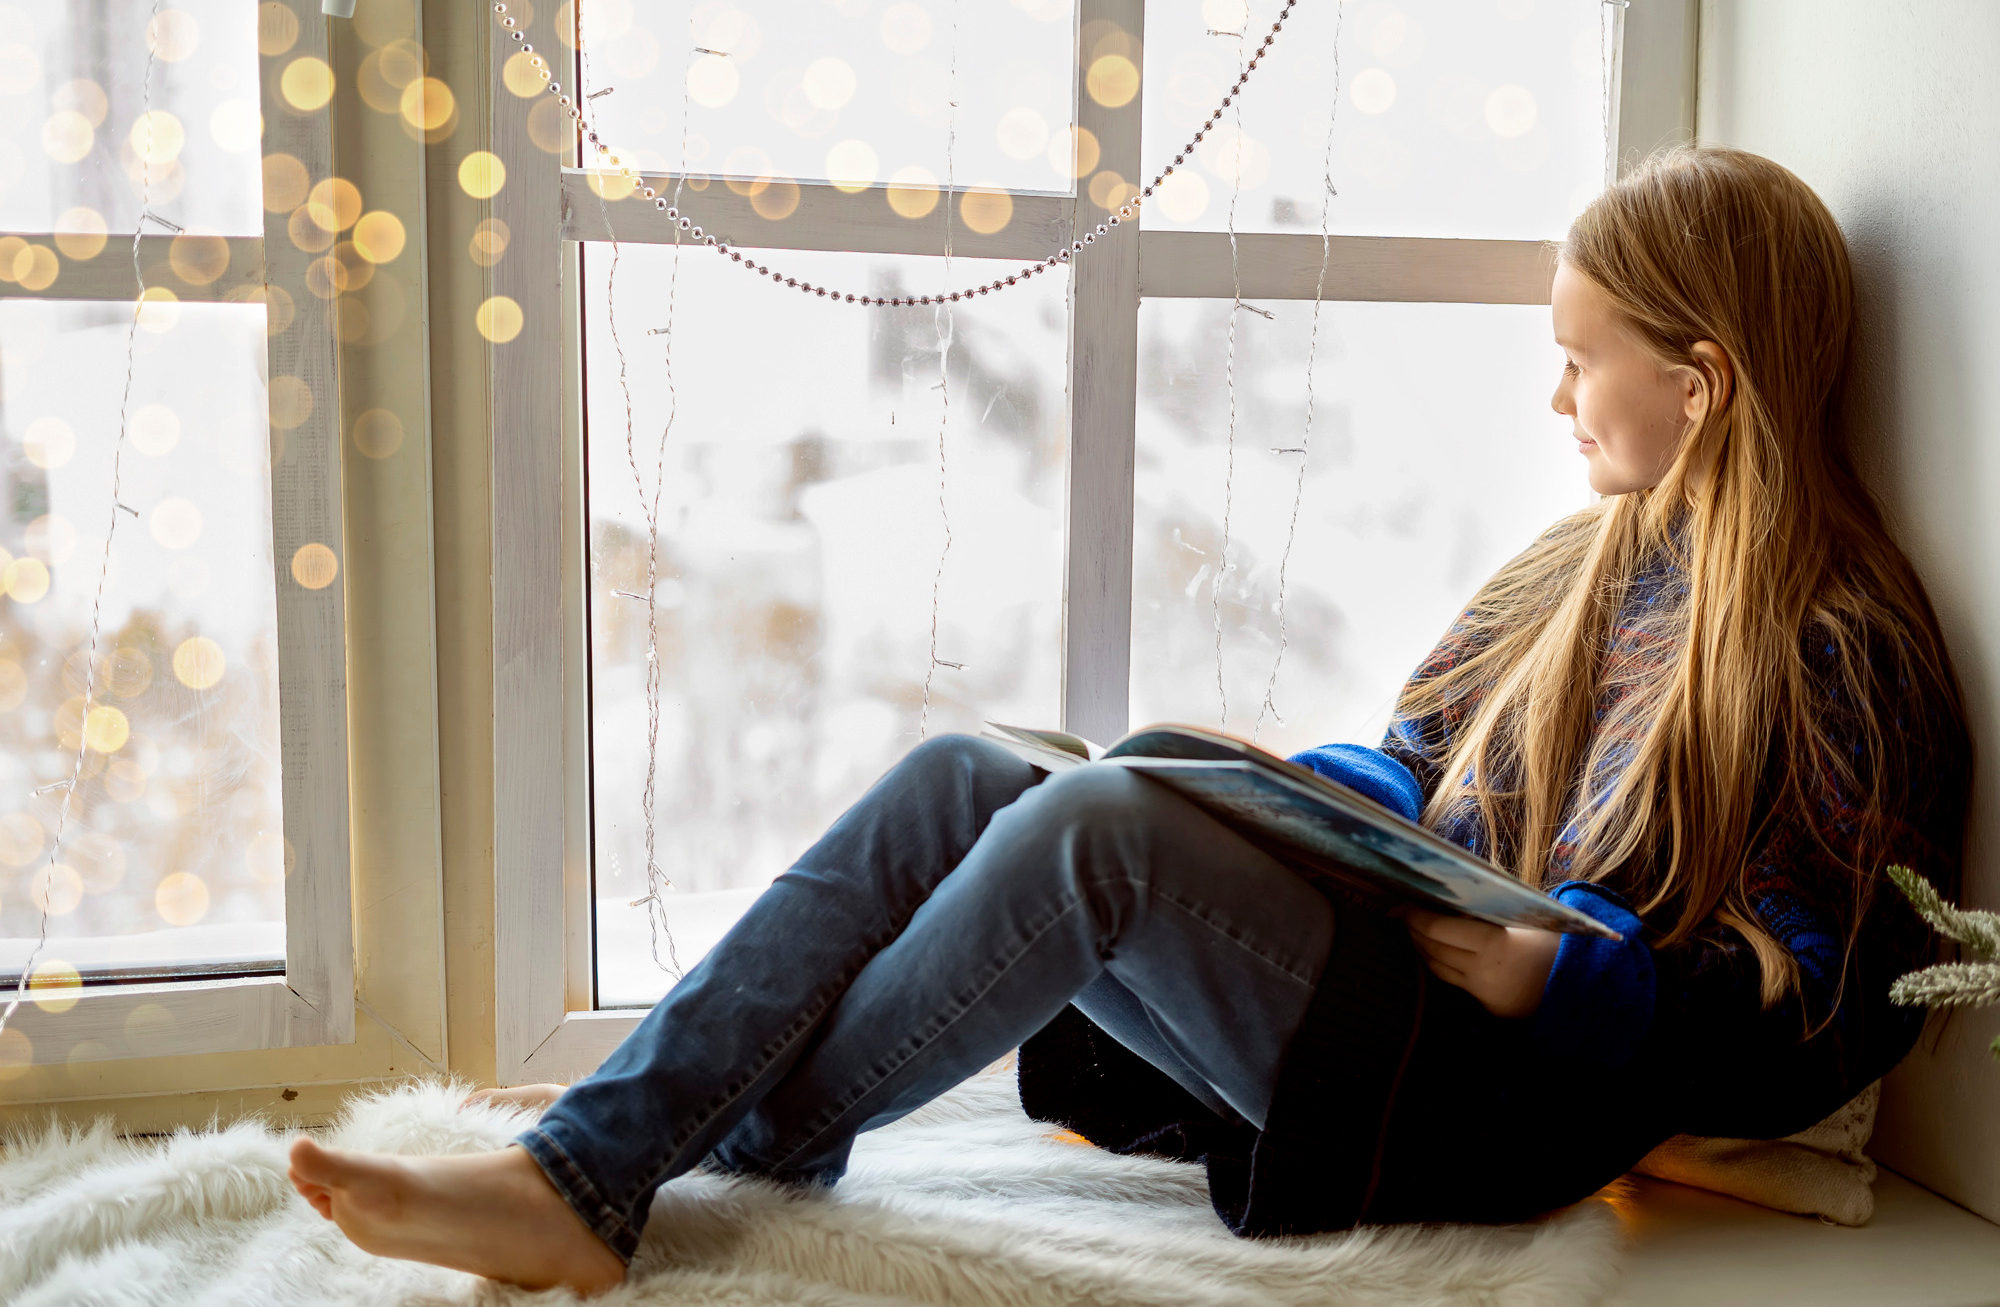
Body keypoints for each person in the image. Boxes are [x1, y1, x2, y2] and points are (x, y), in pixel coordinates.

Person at [288, 147, 1971, 1294]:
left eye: (1581, 357)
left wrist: (1570, 978)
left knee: (1100, 831)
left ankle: (636, 1166)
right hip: (1397, 985)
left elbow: (1836, 1004)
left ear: (1701, 382)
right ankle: (617, 1150)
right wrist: (1298, 791)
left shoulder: (1842, 652)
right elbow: (1422, 763)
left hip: (1487, 1095)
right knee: (975, 770)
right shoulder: (1572, 571)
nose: (1557, 394)